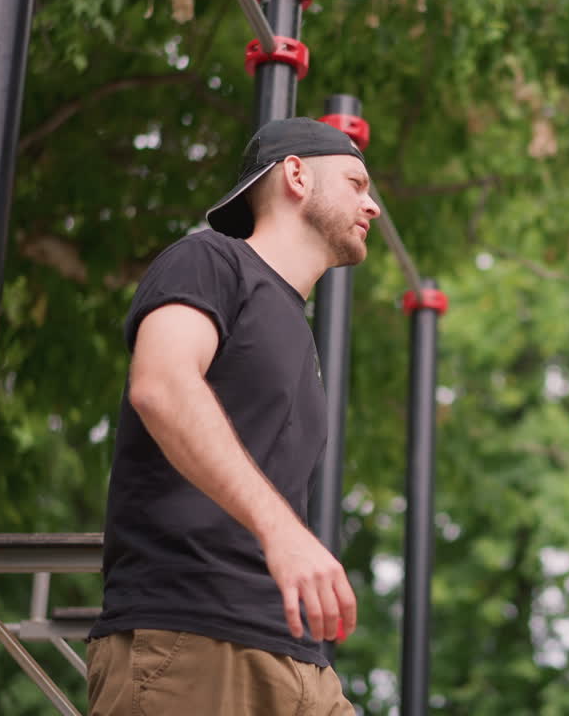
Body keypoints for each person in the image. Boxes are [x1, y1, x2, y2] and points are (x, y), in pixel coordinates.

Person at [86, 117, 380, 716]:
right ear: (296, 175)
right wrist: (281, 532)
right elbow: (162, 386)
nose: (371, 204)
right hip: (193, 640)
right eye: (356, 182)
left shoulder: (296, 329)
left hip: (299, 662)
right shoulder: (207, 260)